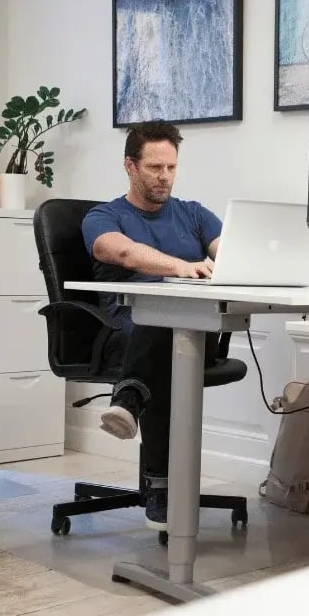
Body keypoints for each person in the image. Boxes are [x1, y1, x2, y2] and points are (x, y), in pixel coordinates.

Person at [81, 121, 223, 530]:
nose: (165, 177)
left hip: (195, 332)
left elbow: (230, 251)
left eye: (171, 168)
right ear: (130, 166)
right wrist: (178, 268)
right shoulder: (104, 216)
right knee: (164, 326)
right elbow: (122, 252)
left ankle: (129, 396)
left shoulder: (194, 214)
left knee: (173, 327)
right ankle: (161, 488)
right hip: (123, 333)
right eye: (154, 167)